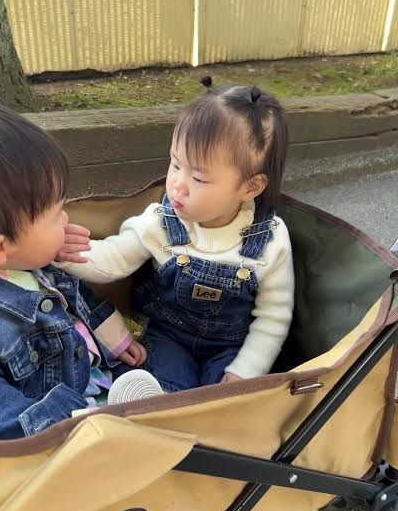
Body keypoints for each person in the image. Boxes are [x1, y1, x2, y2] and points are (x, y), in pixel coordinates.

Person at [0, 101, 150, 466]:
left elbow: (73, 299)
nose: (67, 218)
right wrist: (69, 428)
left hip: (81, 373)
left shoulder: (19, 254)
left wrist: (114, 338)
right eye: (56, 214)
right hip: (37, 433)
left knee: (159, 398)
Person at [56, 78, 294, 392]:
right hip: (166, 336)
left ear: (250, 187)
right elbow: (113, 259)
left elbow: (273, 317)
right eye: (176, 164)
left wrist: (245, 371)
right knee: (166, 387)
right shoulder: (161, 221)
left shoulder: (269, 241)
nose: (178, 185)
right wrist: (64, 252)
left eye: (199, 178)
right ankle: (146, 405)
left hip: (231, 348)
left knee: (224, 398)